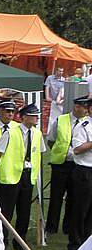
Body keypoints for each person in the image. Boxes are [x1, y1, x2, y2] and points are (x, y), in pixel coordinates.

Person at [0, 103, 45, 249]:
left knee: (24, 211)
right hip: (11, 176)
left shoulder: (37, 133)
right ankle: (2, 240)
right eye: (33, 116)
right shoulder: (10, 132)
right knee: (6, 211)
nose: (36, 118)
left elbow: (40, 152)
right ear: (23, 117)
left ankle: (20, 241)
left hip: (28, 175)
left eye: (37, 116)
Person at [47, 98, 89, 237]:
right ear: (75, 107)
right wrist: (60, 152)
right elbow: (51, 140)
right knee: (56, 196)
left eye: (84, 107)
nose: (82, 110)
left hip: (78, 164)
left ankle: (68, 226)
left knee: (74, 197)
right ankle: (51, 226)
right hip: (61, 163)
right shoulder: (61, 119)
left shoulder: (87, 123)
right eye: (79, 107)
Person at [69, 107, 92, 250]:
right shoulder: (83, 126)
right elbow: (77, 149)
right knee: (81, 208)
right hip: (85, 170)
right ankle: (75, 243)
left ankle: (88, 241)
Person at [46, 67, 66, 131]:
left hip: (60, 101)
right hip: (53, 100)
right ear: (56, 71)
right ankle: (50, 131)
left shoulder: (64, 80)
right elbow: (47, 87)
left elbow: (63, 91)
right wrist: (47, 97)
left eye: (62, 71)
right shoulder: (50, 78)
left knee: (60, 116)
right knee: (52, 117)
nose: (61, 73)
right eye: (60, 71)